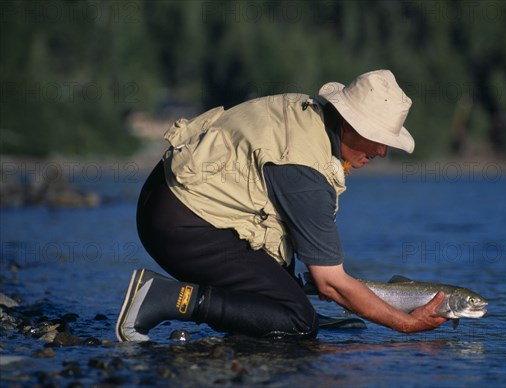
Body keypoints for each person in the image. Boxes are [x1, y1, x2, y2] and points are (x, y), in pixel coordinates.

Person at [115, 69, 447, 342]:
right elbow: (331, 282)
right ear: (350, 124)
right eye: (379, 139)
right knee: (296, 322)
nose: (382, 152)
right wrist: (406, 324)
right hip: (180, 222)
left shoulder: (307, 112)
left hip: (166, 197)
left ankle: (256, 321)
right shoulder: (305, 170)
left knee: (288, 307)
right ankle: (163, 297)